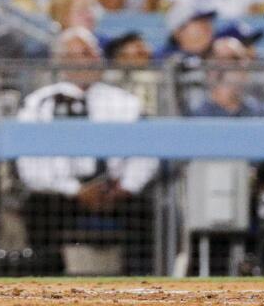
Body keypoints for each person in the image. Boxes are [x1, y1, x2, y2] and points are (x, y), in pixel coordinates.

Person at [14, 27, 157, 275]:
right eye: (80, 53)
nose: (90, 59)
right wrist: (75, 190)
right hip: (61, 194)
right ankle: (47, 291)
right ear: (60, 61)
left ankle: (142, 289)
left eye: (93, 53)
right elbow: (29, 166)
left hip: (115, 191)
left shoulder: (125, 102)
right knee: (38, 207)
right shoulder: (38, 105)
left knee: (145, 210)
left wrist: (126, 186)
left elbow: (147, 152)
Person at [189, 35, 264, 117]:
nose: (227, 66)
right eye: (219, 60)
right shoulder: (193, 115)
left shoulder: (263, 113)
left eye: (236, 59)